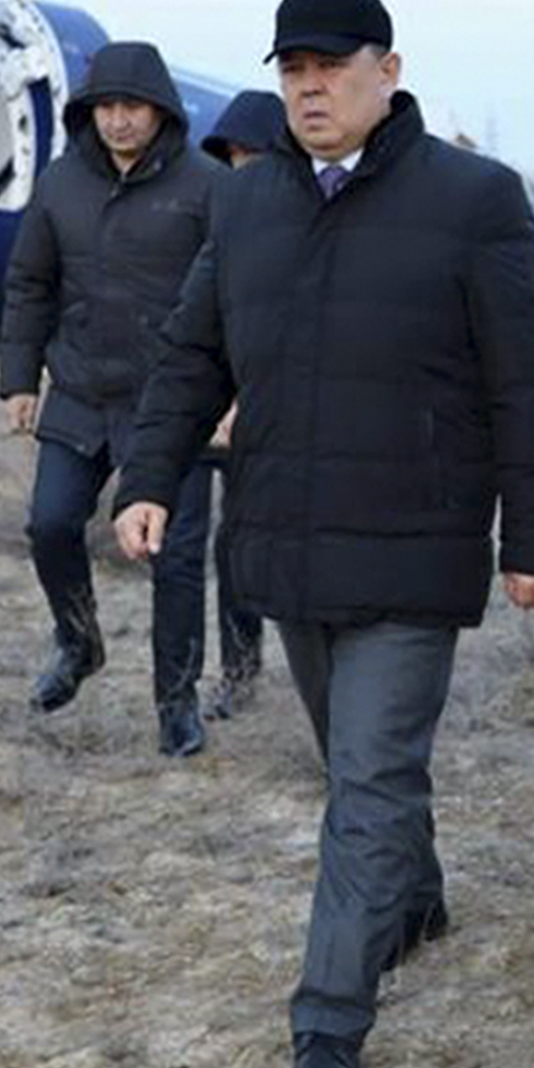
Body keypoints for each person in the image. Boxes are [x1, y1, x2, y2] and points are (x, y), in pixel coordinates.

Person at [113, 0, 534, 1068]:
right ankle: (412, 899)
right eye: (290, 70)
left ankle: (327, 1024)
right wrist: (148, 477)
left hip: (415, 545)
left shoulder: (472, 199)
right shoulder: (247, 203)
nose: (308, 87)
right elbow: (191, 356)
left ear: (389, 69)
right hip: (286, 541)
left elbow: (527, 381)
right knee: (356, 765)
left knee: (366, 778)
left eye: (330, 66)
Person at [0, 42, 224, 756]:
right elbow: (29, 282)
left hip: (174, 404)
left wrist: (233, 395)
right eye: (106, 108)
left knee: (177, 559)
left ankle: (176, 702)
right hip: (80, 391)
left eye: (133, 107)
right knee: (50, 524)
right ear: (87, 112)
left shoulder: (208, 186)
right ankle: (77, 639)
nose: (120, 121)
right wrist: (17, 377)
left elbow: (240, 297)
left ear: (160, 110)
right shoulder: (60, 184)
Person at [197, 88, 292, 717]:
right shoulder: (227, 220)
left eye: (253, 157)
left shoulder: (311, 223)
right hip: (229, 414)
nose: (241, 169)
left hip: (294, 413)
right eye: (232, 158)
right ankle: (239, 671)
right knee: (232, 546)